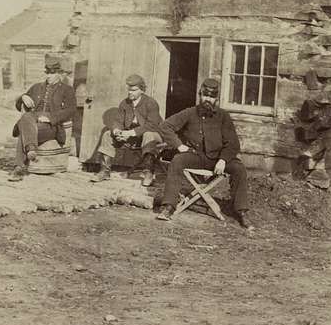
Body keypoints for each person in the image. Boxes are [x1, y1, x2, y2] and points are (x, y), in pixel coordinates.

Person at [154, 78, 253, 230]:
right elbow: (165, 126)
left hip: (218, 159)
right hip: (196, 156)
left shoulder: (223, 117)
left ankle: (242, 212)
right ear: (200, 95)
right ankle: (168, 206)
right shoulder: (189, 113)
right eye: (205, 95)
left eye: (212, 96)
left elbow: (233, 144)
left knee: (239, 168)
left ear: (217, 99)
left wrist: (223, 160)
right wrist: (179, 146)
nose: (208, 99)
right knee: (177, 161)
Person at [8, 54, 76, 182]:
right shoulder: (36, 87)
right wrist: (22, 97)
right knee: (27, 117)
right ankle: (31, 149)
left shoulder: (67, 90)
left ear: (59, 74)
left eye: (52, 73)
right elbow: (19, 106)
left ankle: (18, 168)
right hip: (33, 122)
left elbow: (71, 110)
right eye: (47, 73)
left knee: (24, 129)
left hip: (51, 127)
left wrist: (51, 118)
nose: (49, 76)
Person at [92, 74, 164, 184]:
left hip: (154, 136)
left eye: (134, 90)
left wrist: (131, 133)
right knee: (107, 134)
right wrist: (117, 131)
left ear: (142, 90)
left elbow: (152, 125)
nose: (130, 93)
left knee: (148, 135)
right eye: (129, 90)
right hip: (133, 137)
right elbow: (118, 121)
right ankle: (105, 171)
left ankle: (148, 173)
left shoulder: (151, 103)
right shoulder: (125, 103)